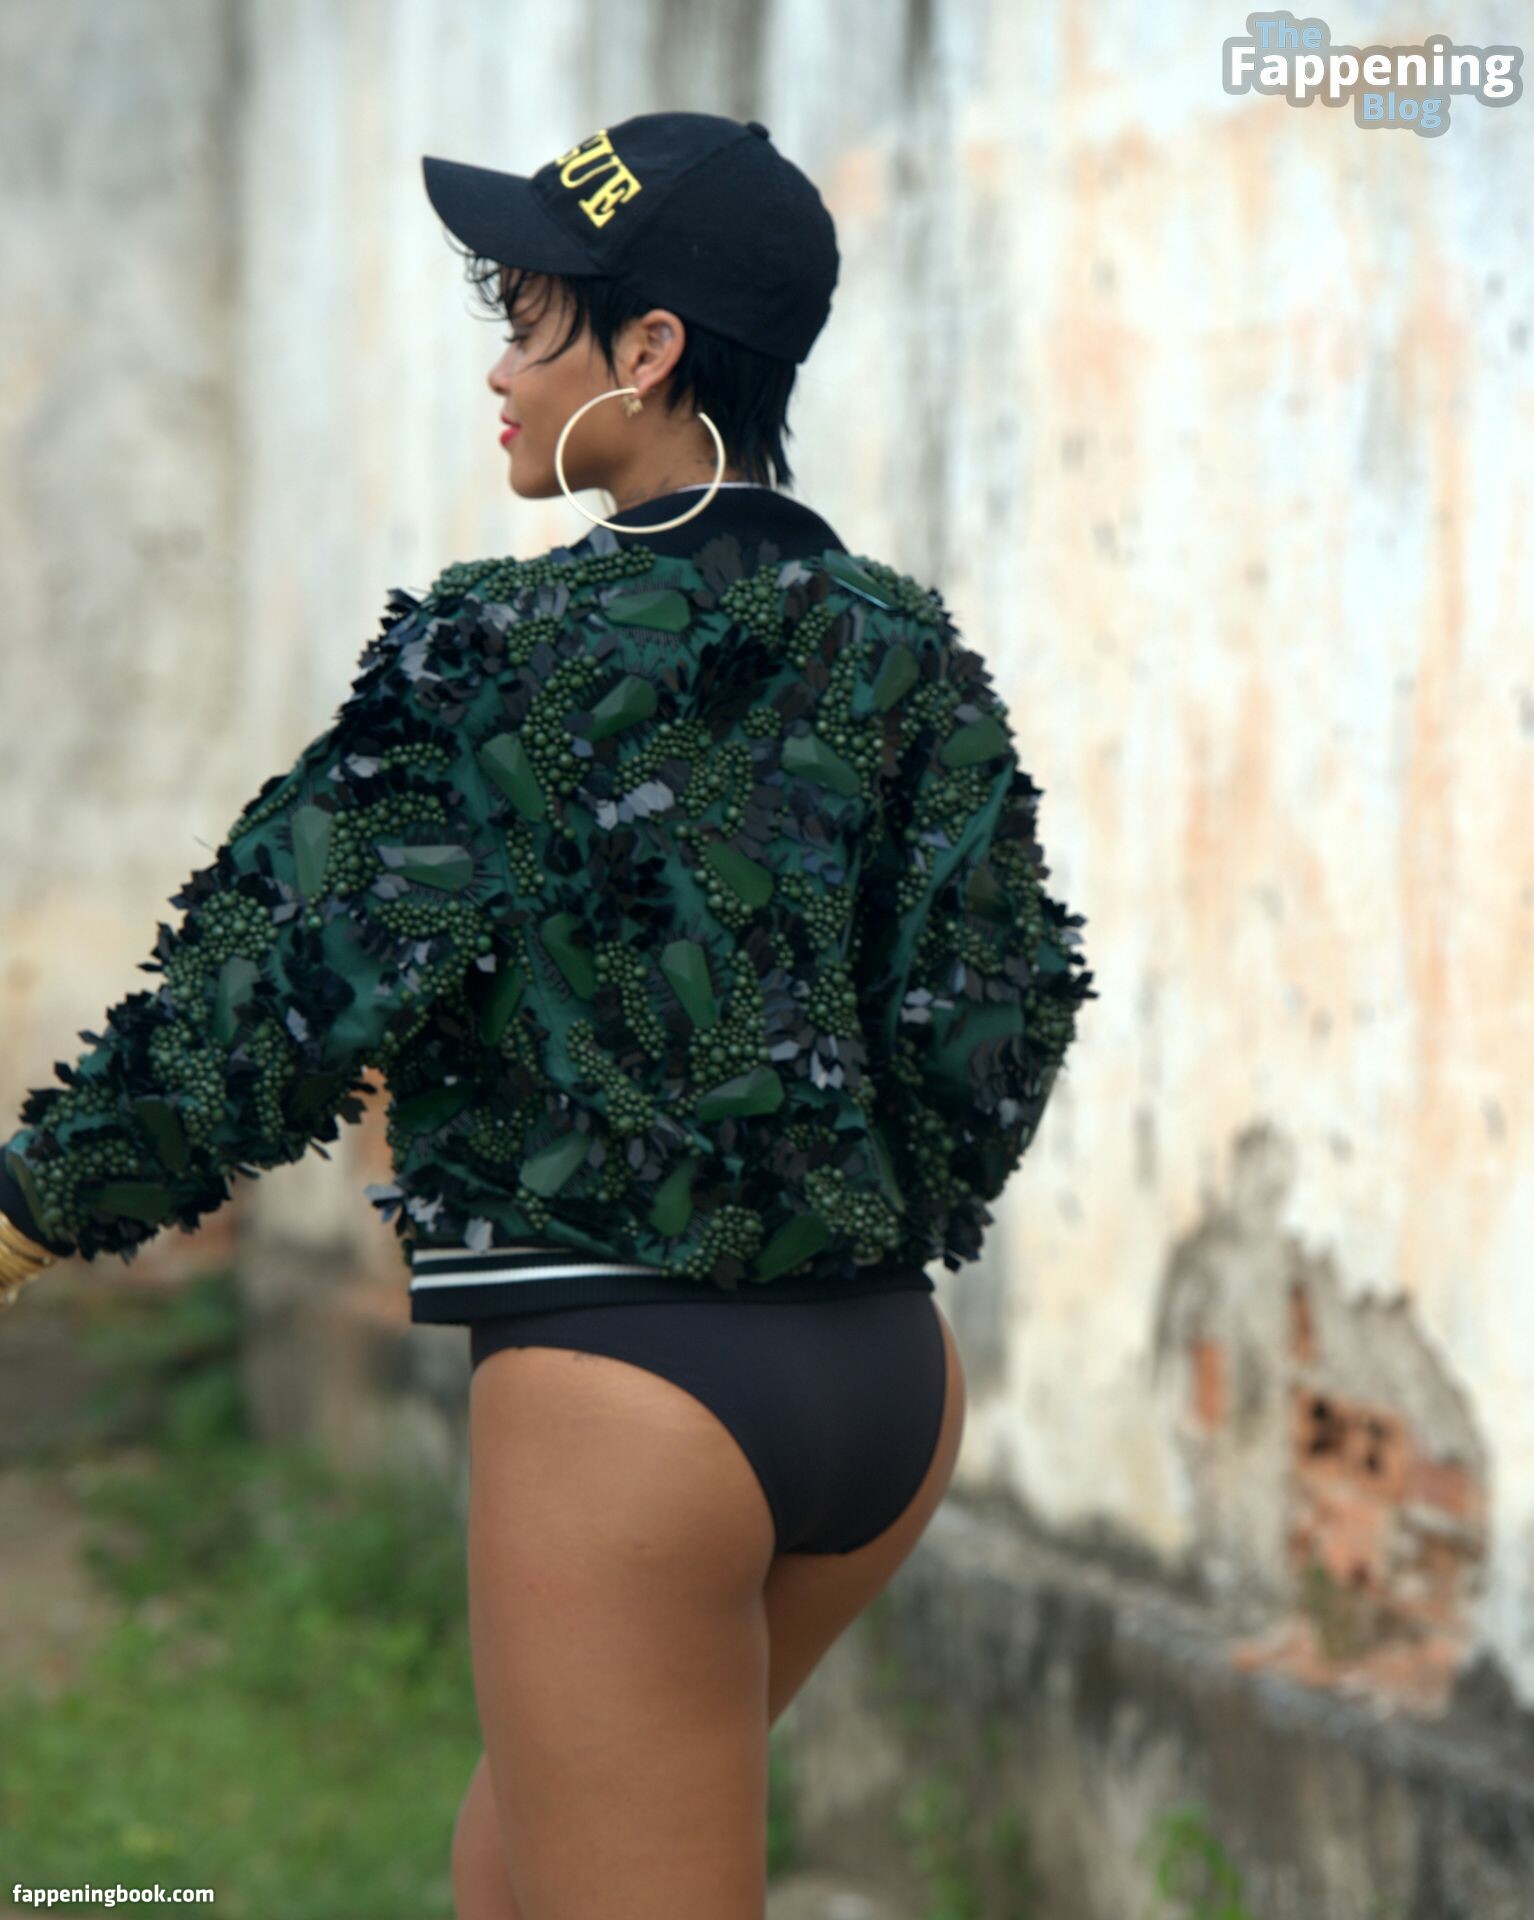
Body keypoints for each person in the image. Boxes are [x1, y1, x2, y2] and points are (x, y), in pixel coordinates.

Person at [0, 112, 1096, 1918]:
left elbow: (273, 990)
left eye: (527, 324)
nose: (500, 372)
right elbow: (1003, 1013)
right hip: (889, 1376)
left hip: (629, 1401)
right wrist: (843, 1207)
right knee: (510, 1876)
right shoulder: (901, 645)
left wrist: (36, 1208)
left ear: (647, 351)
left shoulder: (496, 653)